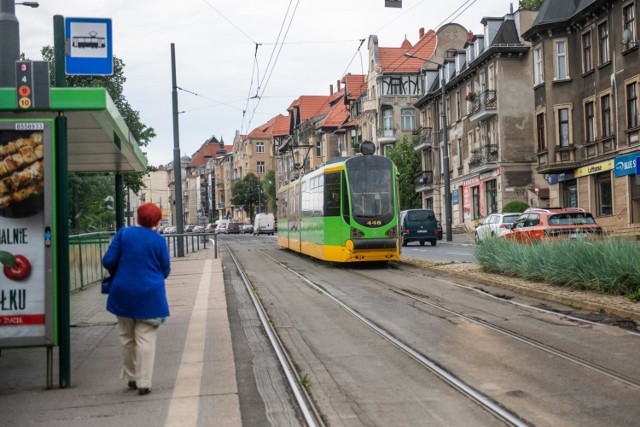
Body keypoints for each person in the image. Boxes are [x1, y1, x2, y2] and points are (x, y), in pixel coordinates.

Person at [102, 203, 171, 396]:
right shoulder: (158, 240)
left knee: (127, 337)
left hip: (122, 294)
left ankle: (131, 376)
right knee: (146, 338)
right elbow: (165, 269)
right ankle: (144, 382)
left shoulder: (124, 234)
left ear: (137, 217)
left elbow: (108, 261)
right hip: (150, 296)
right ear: (157, 222)